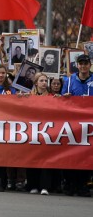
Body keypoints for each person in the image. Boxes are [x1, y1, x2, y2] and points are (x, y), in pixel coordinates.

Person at [61, 53, 93, 197]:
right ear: (77, 65)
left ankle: (83, 185)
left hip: (89, 124)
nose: (83, 66)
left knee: (85, 154)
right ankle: (70, 184)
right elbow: (60, 100)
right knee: (70, 154)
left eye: (86, 63)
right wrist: (65, 97)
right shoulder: (68, 80)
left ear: (90, 65)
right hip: (72, 123)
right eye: (81, 63)